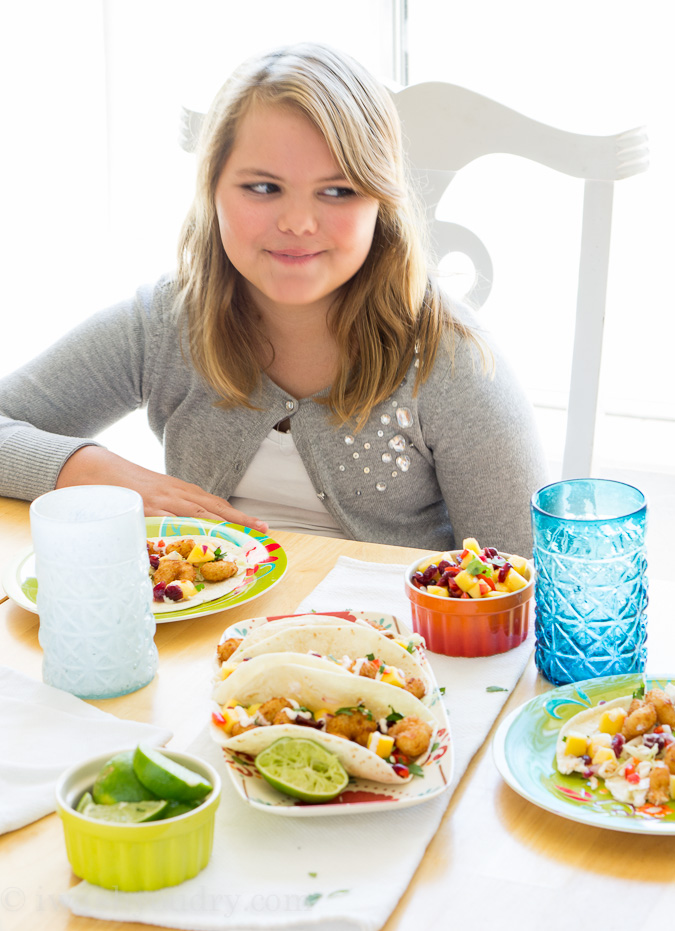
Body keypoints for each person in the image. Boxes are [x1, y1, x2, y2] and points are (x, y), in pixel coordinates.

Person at [0, 42, 548, 555]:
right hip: (200, 651)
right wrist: (91, 469)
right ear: (212, 189)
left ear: (382, 201)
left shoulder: (448, 359)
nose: (297, 223)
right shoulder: (165, 323)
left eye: (338, 190)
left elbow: (523, 575)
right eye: (263, 187)